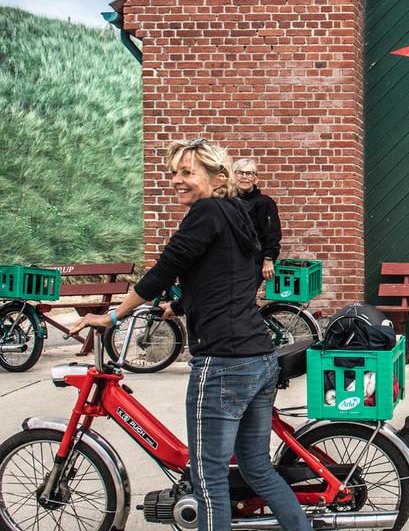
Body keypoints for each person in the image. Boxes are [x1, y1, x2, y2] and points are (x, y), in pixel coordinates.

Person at [71, 139, 312, 531]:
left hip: (222, 362)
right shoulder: (236, 212)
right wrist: (181, 305)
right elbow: (229, 275)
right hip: (258, 357)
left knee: (209, 479)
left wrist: (113, 316)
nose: (176, 181)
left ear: (217, 176)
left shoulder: (205, 212)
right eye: (173, 172)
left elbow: (164, 269)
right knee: (257, 469)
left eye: (186, 172)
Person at [234, 157, 282, 283]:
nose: (244, 177)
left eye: (249, 173)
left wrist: (268, 259)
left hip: (254, 262)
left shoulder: (264, 202)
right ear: (233, 177)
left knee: (243, 300)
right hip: (232, 262)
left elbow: (272, 233)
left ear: (256, 178)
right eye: (240, 173)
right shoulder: (228, 202)